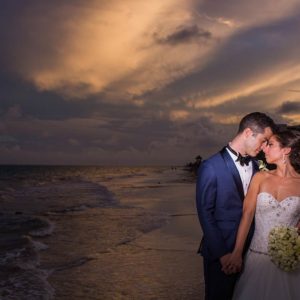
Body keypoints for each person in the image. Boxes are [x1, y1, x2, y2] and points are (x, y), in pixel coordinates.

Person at [196, 112, 276, 300]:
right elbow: (205, 213)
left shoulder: (258, 166)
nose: (264, 148)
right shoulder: (211, 166)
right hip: (221, 251)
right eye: (263, 141)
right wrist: (223, 255)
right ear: (248, 132)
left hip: (253, 251)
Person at [224, 128, 300, 299]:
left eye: (270, 144)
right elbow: (247, 215)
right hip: (256, 258)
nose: (264, 148)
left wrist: (292, 243)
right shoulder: (260, 178)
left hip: (289, 261)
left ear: (286, 150)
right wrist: (237, 252)